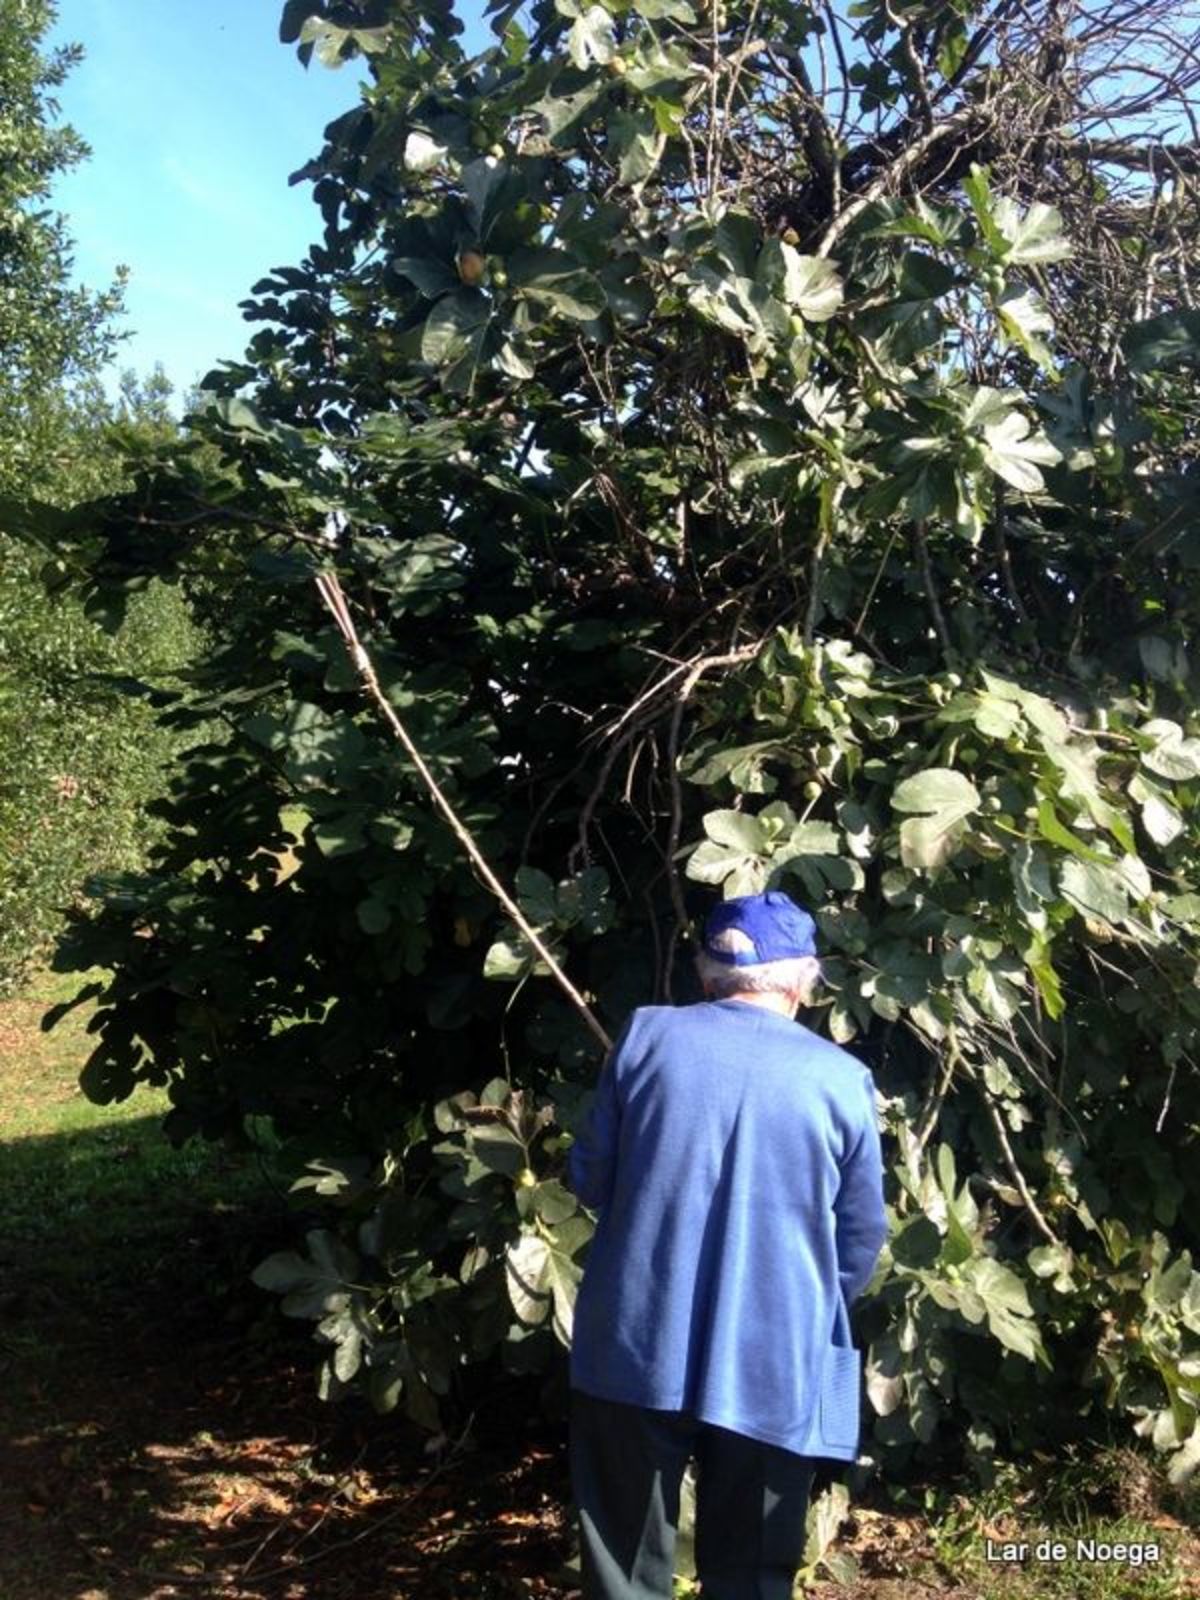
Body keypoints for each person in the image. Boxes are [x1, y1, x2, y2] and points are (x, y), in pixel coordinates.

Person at [564, 889, 888, 1600]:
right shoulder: (843, 1080)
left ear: (707, 972)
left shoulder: (645, 1038)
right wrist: (805, 1308)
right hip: (774, 1361)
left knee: (623, 1567)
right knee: (752, 1575)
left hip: (635, 1344)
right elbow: (861, 1236)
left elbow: (588, 1177)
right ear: (804, 980)